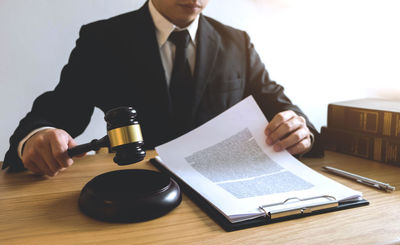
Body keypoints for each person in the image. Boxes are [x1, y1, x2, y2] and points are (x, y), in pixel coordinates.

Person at [2, 0, 323, 176]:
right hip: (134, 193)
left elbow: (280, 105)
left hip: (225, 195)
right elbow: (55, 113)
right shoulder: (102, 39)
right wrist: (38, 138)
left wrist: (298, 129)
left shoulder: (237, 42)